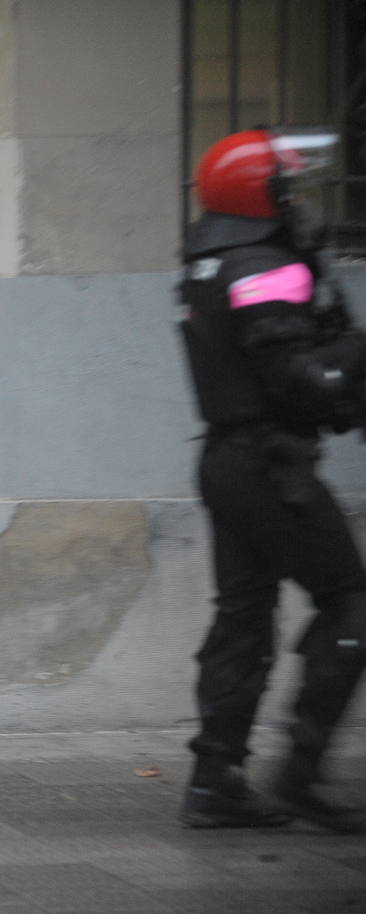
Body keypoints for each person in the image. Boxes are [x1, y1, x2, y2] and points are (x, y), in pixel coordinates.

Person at [176, 127, 366, 832]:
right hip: (268, 465)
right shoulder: (264, 265)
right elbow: (303, 380)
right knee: (351, 601)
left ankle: (214, 782)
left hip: (228, 460)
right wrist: (354, 346)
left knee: (243, 617)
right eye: (285, 189)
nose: (297, 201)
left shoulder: (211, 263)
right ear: (260, 196)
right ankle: (302, 775)